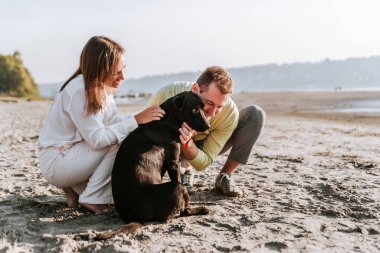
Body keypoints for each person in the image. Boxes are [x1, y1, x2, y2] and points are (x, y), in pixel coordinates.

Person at [38, 36, 165, 213]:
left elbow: (113, 123)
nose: (123, 76)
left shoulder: (101, 89)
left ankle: (75, 190)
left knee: (121, 134)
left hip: (70, 154)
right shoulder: (79, 90)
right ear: (99, 69)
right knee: (118, 140)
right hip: (57, 161)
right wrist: (135, 120)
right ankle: (92, 198)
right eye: (116, 72)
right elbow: (98, 140)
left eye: (124, 68)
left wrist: (142, 117)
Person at [148, 66, 265, 197]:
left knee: (255, 114)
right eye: (209, 103)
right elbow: (147, 137)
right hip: (171, 145)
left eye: (219, 106)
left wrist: (188, 143)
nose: (212, 112)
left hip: (203, 145)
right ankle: (184, 168)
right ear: (195, 89)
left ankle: (225, 177)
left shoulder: (229, 113)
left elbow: (203, 163)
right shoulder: (167, 95)